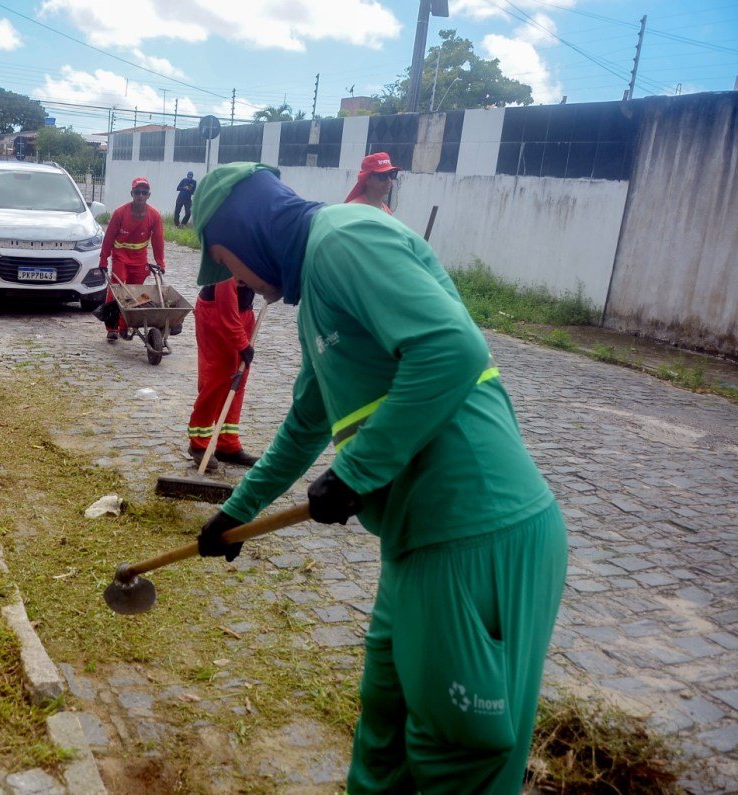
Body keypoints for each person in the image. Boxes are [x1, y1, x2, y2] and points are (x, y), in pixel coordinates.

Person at [192, 162, 568, 794]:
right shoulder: (317, 291)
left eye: (228, 264)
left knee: (458, 750)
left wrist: (356, 472)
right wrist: (238, 515)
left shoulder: (343, 239)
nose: (238, 282)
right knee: (384, 729)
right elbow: (305, 423)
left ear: (243, 233)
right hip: (417, 541)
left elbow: (452, 349)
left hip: (474, 529)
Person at [188, 278, 259, 470]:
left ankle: (227, 444)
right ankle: (199, 443)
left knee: (239, 378)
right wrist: (242, 343)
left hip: (243, 311)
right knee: (217, 377)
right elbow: (225, 306)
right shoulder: (231, 253)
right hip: (216, 311)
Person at [99, 177, 165, 343]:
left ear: (148, 195)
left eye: (144, 192)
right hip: (121, 256)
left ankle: (124, 326)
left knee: (135, 293)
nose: (140, 195)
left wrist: (160, 262)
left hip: (140, 259)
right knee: (118, 289)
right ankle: (112, 327)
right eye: (137, 192)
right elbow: (108, 239)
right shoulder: (120, 213)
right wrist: (103, 260)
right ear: (132, 193)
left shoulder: (154, 215)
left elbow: (158, 241)